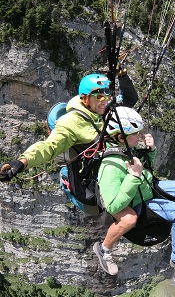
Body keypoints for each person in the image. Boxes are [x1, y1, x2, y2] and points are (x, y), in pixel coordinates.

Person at [0, 71, 138, 216]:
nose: (105, 100)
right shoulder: (71, 122)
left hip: (112, 170)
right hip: (91, 184)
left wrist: (122, 75)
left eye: (107, 96)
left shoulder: (102, 111)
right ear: (85, 98)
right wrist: (22, 162)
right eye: (100, 96)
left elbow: (129, 99)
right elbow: (49, 146)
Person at [93, 106, 175, 283]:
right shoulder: (110, 165)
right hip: (141, 202)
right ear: (121, 137)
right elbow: (113, 206)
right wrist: (133, 177)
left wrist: (151, 152)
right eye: (136, 133)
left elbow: (146, 167)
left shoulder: (127, 149)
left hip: (147, 188)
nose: (140, 136)